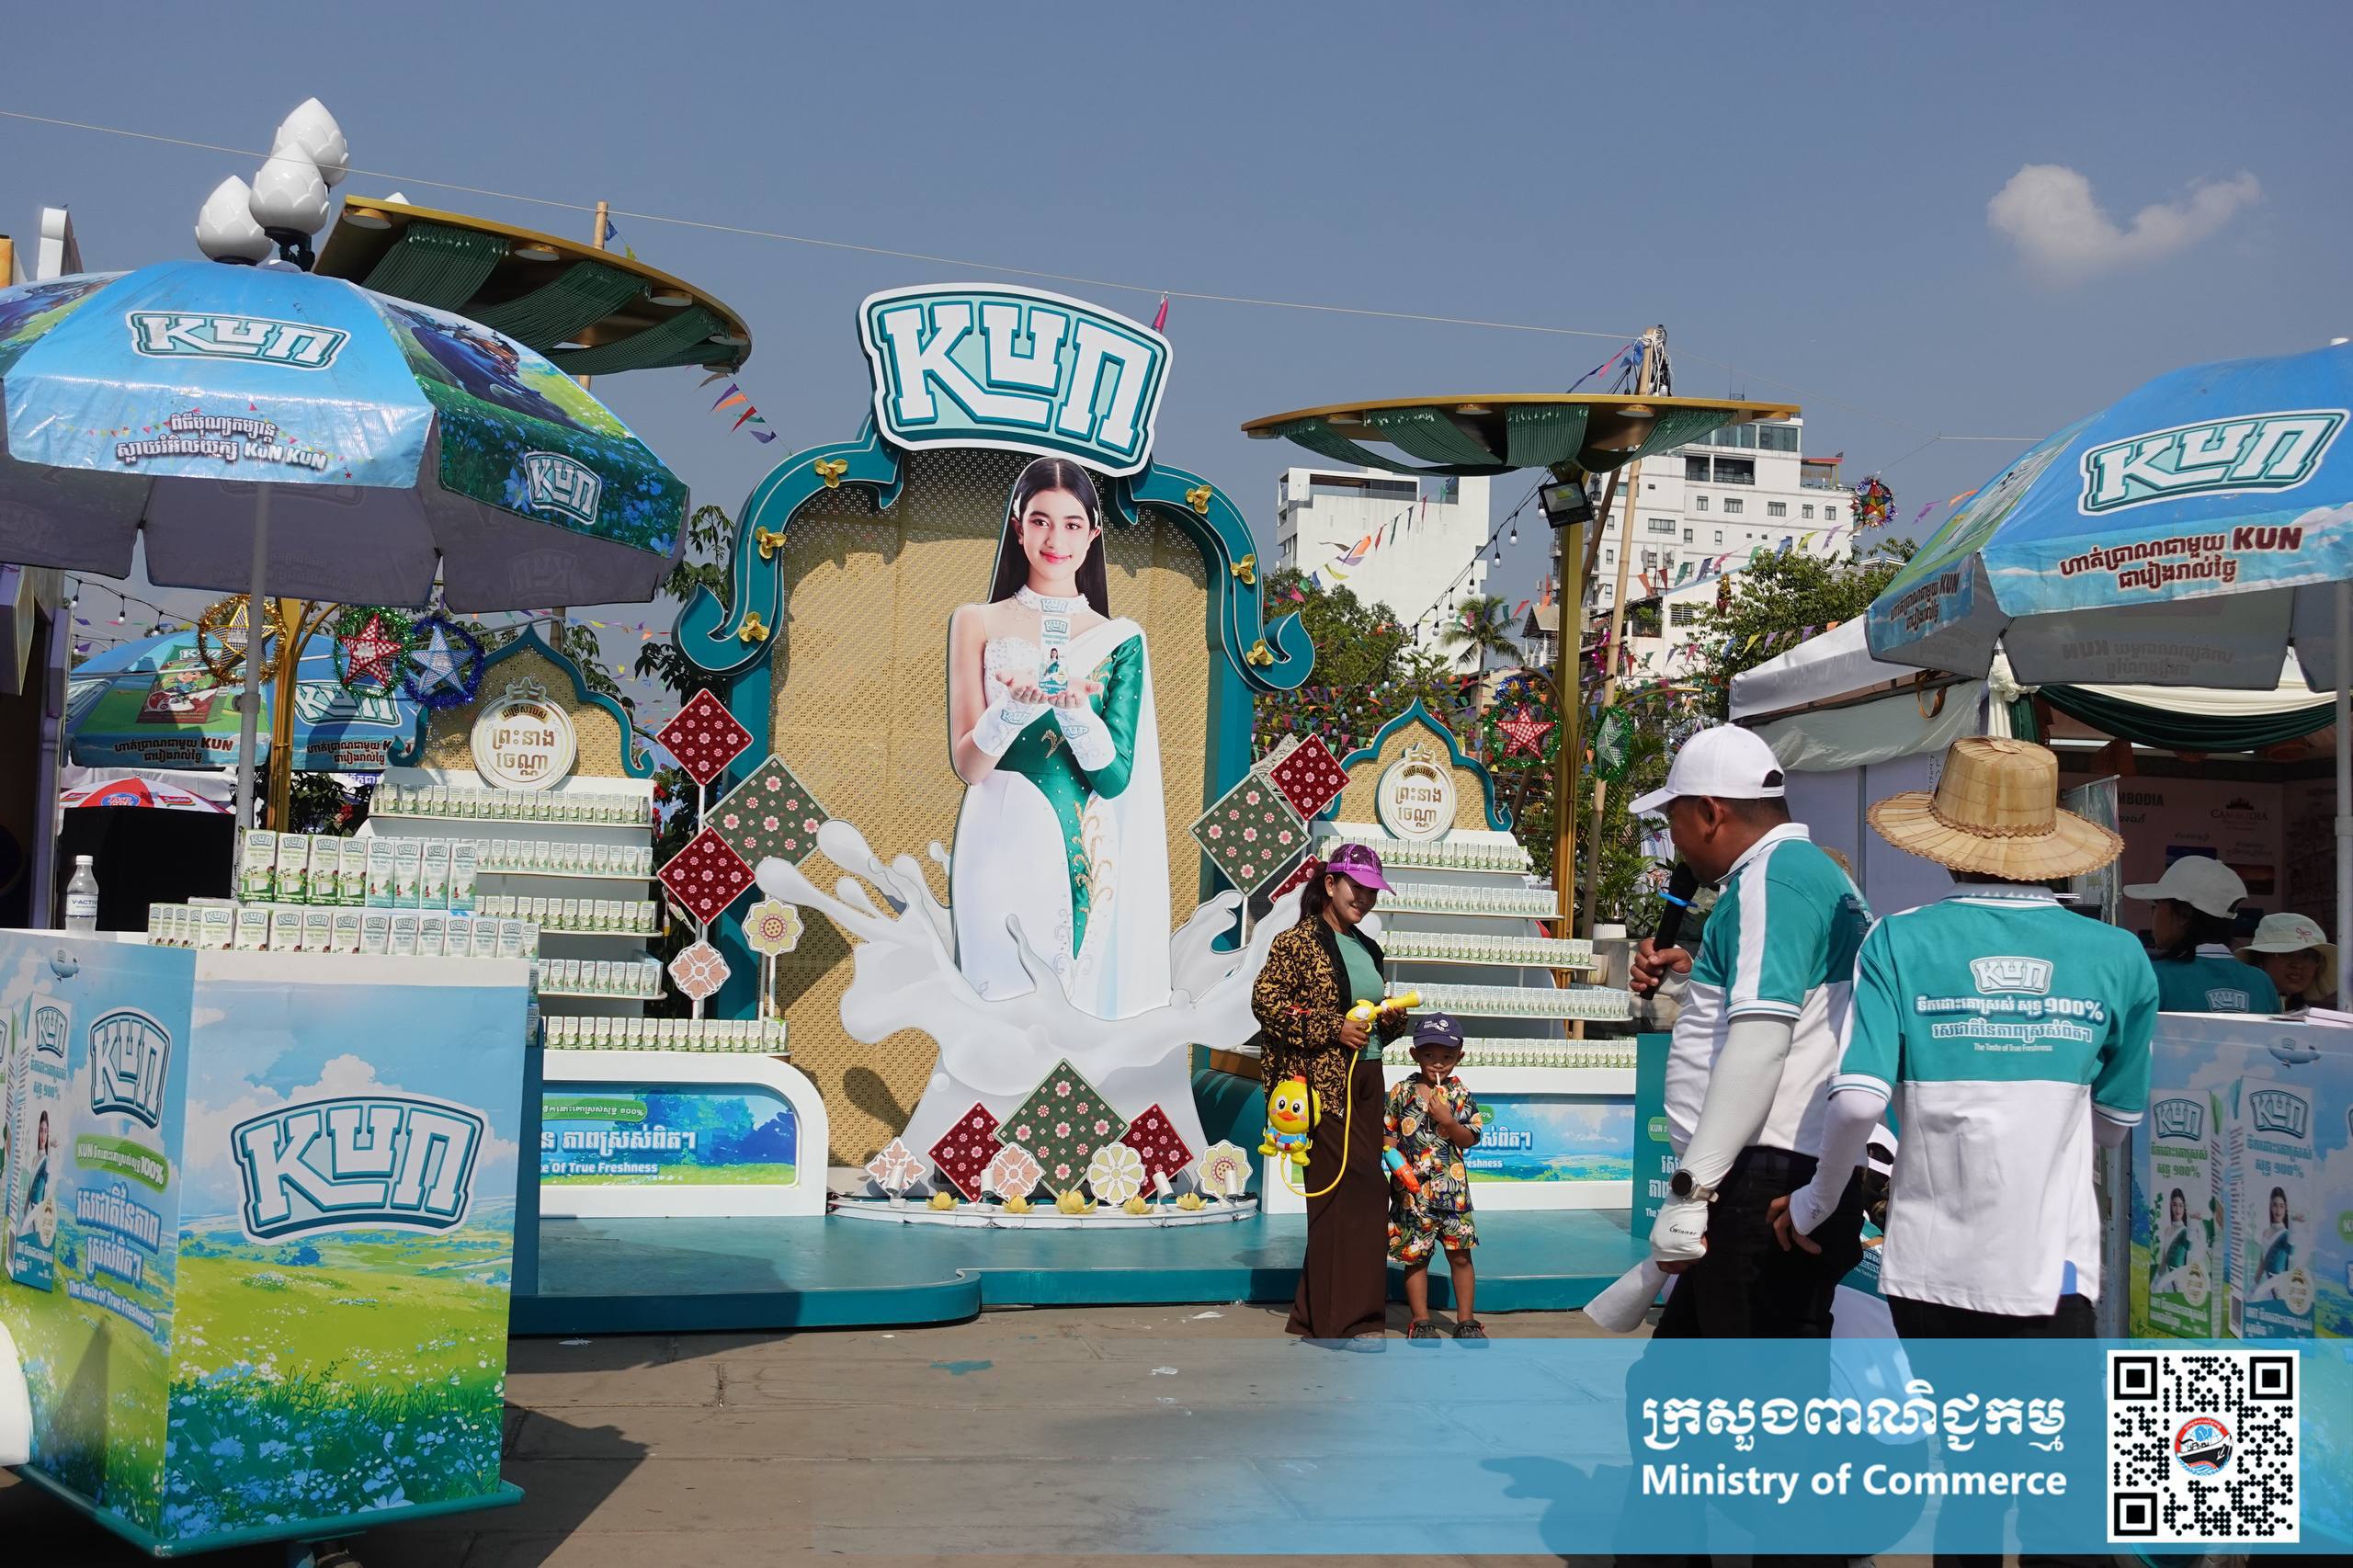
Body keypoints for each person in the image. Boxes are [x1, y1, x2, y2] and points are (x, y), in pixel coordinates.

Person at [1772, 738, 2156, 1341]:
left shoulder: (1896, 940)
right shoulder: (2120, 955)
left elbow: (1858, 1103)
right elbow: (2112, 1126)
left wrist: (1813, 1204)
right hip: (2053, 1268)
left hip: (1932, 1268)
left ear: (1945, 847)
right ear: (2047, 845)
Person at [1624, 724, 1873, 1337]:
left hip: (1763, 1180)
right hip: (1770, 1171)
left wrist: (1690, 1193)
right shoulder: (1806, 875)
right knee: (1677, 1383)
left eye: (1673, 819)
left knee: (1750, 1386)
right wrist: (1693, 977)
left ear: (1711, 813)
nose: (1674, 842)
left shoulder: (1772, 882)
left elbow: (1762, 1045)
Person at [948, 457, 1169, 1020]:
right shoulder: (975, 621)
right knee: (992, 1006)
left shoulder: (1119, 639)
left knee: (1066, 1009)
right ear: (1018, 527)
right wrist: (1013, 709)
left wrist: (1075, 713)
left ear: (1093, 534)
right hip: (993, 840)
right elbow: (969, 766)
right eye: (1040, 521)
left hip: (1081, 845)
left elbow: (1114, 779)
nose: (1055, 540)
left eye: (1072, 524)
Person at [1253, 844, 1410, 1345]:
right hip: (1320, 1085)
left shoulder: (1367, 947)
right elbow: (1266, 1003)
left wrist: (1392, 1017)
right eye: (1356, 887)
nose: (1364, 898)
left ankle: (1320, 1315)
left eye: (1372, 891)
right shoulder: (1295, 942)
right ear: (1330, 884)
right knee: (1340, 1192)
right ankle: (1346, 1320)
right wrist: (1331, 1026)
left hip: (1367, 1078)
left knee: (1365, 1191)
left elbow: (1372, 1017)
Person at [1384, 1013, 1488, 1341]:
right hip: (1413, 1197)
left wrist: (1448, 1120)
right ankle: (1420, 1321)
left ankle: (1466, 1320)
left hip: (1453, 1196)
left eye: (1447, 1055)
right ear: (1414, 1054)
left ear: (1460, 1056)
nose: (1438, 1063)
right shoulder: (1401, 1091)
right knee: (1416, 1259)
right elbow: (1388, 1137)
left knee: (1461, 1256)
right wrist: (1396, 1166)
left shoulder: (1461, 1094)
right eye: (1429, 1054)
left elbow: (1470, 1138)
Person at [2124, 856, 2279, 1014]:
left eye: (2157, 904)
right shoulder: (2262, 983)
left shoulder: (2154, 978)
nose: (2153, 913)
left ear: (2184, 914)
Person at [2236, 912, 2338, 1011]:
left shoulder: (2310, 1018)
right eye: (2287, 953)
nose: (2298, 965)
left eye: (2309, 956)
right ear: (2260, 958)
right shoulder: (2237, 1011)